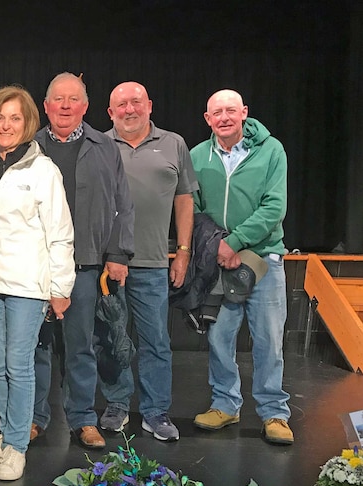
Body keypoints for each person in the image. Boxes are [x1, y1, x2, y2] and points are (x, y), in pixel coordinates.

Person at [0, 86, 76, 481]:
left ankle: (16, 445)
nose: (6, 125)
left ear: (28, 123)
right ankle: (6, 433)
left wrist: (61, 287)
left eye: (15, 118)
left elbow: (59, 233)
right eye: (0, 117)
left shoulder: (43, 171)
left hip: (26, 287)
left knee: (19, 365)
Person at [32, 72, 134, 450]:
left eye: (72, 99)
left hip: (86, 265)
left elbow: (122, 203)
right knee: (37, 346)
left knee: (81, 346)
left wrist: (118, 254)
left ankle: (82, 419)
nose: (65, 105)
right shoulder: (31, 146)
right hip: (36, 266)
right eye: (58, 99)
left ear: (85, 107)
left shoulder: (105, 147)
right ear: (46, 106)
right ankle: (35, 418)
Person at [190, 89, 293, 445]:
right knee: (219, 338)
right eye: (217, 112)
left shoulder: (271, 151)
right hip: (218, 262)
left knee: (268, 341)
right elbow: (196, 210)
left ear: (244, 113)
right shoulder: (197, 156)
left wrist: (235, 242)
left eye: (231, 110)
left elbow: (273, 207)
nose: (224, 117)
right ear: (208, 119)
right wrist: (218, 245)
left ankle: (274, 413)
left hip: (263, 260)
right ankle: (224, 404)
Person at [96, 81, 196, 441]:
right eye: (121, 105)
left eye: (136, 102)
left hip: (155, 262)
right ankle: (117, 405)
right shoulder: (100, 146)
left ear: (149, 105)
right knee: (112, 338)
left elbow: (185, 200)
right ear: (111, 112)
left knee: (156, 341)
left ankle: (155, 412)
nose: (129, 110)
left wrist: (182, 252)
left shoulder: (174, 144)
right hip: (109, 264)